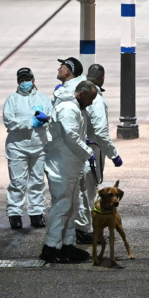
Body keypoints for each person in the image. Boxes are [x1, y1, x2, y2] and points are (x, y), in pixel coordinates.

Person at [40, 79, 97, 263]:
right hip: (61, 166)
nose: (90, 103)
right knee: (62, 207)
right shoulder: (68, 109)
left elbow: (73, 134)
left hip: (70, 165)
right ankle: (51, 248)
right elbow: (70, 136)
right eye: (90, 99)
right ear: (81, 94)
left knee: (72, 207)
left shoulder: (75, 108)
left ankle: (67, 245)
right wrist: (88, 153)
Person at [73, 63, 124, 245]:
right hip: (92, 152)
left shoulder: (75, 93)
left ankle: (77, 229)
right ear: (103, 79)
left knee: (77, 192)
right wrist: (113, 154)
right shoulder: (98, 101)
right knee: (87, 193)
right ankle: (84, 230)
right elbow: (101, 133)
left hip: (76, 150)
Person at [2, 67, 52, 229]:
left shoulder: (43, 98)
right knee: (17, 182)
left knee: (37, 181)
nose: (25, 83)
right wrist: (31, 122)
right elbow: (9, 122)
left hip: (39, 146)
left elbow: (52, 118)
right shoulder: (12, 99)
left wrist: (46, 119)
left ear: (33, 80)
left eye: (27, 79)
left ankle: (37, 213)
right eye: (22, 80)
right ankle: (14, 214)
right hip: (17, 147)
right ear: (18, 82)